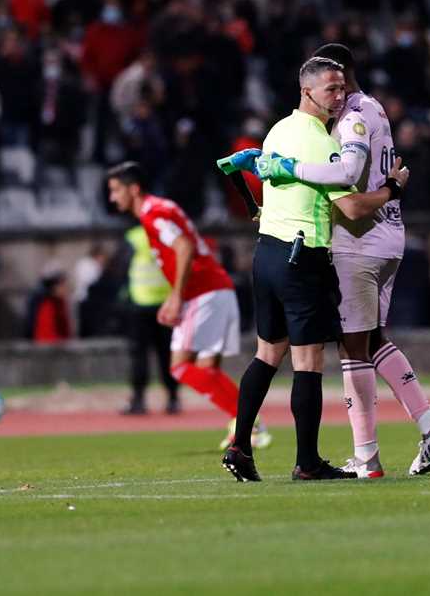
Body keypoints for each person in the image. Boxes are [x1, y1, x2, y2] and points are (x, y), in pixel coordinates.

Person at [250, 42, 430, 479]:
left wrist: (285, 169)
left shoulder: (350, 120)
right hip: (388, 236)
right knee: (372, 339)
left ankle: (370, 456)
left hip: (360, 240)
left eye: (333, 83)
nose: (333, 94)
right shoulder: (374, 108)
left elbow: (347, 189)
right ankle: (427, 429)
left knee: (352, 349)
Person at [217, 56, 409, 482]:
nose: (339, 97)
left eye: (342, 88)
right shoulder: (322, 143)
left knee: (267, 354)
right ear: (307, 92)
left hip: (266, 252)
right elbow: (353, 208)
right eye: (330, 89)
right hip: (301, 256)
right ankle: (307, 462)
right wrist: (392, 189)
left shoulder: (277, 130)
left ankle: (240, 446)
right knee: (308, 362)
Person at [106, 161, 268, 449]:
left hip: (203, 292)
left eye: (116, 190)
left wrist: (177, 295)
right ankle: (245, 428)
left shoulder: (153, 213)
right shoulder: (163, 208)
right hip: (216, 288)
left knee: (180, 367)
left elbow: (183, 246)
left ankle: (248, 420)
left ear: (134, 189)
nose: (112, 197)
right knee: (207, 368)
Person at [120, 224, 180, 415]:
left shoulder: (133, 237)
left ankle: (138, 399)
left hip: (140, 303)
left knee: (139, 355)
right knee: (166, 355)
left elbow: (121, 268)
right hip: (164, 303)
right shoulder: (167, 234)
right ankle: (172, 398)